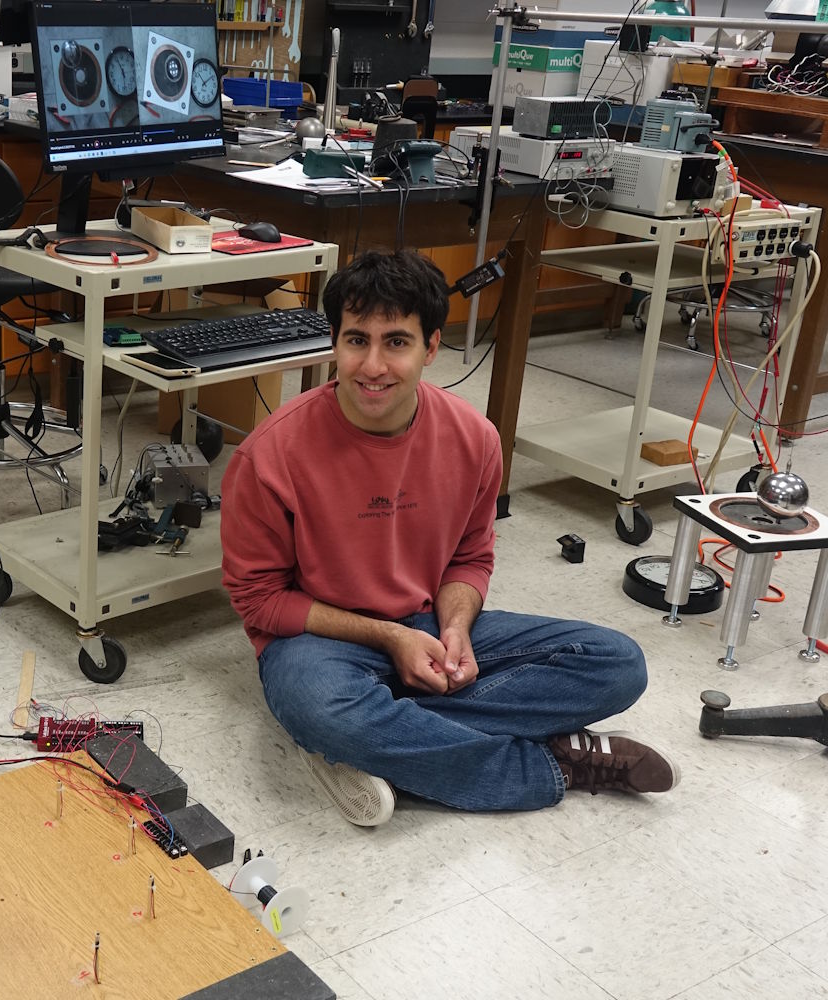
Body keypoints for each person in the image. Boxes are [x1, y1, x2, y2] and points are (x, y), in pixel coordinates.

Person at [220, 249, 678, 826]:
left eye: (397, 342)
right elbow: (260, 600)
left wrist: (455, 628)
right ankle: (553, 765)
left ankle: (383, 741)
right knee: (321, 706)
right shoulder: (268, 456)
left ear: (431, 346)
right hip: (321, 639)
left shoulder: (475, 438)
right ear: (334, 342)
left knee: (617, 663)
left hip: (429, 621)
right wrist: (391, 637)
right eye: (357, 340)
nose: (373, 365)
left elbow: (469, 557)